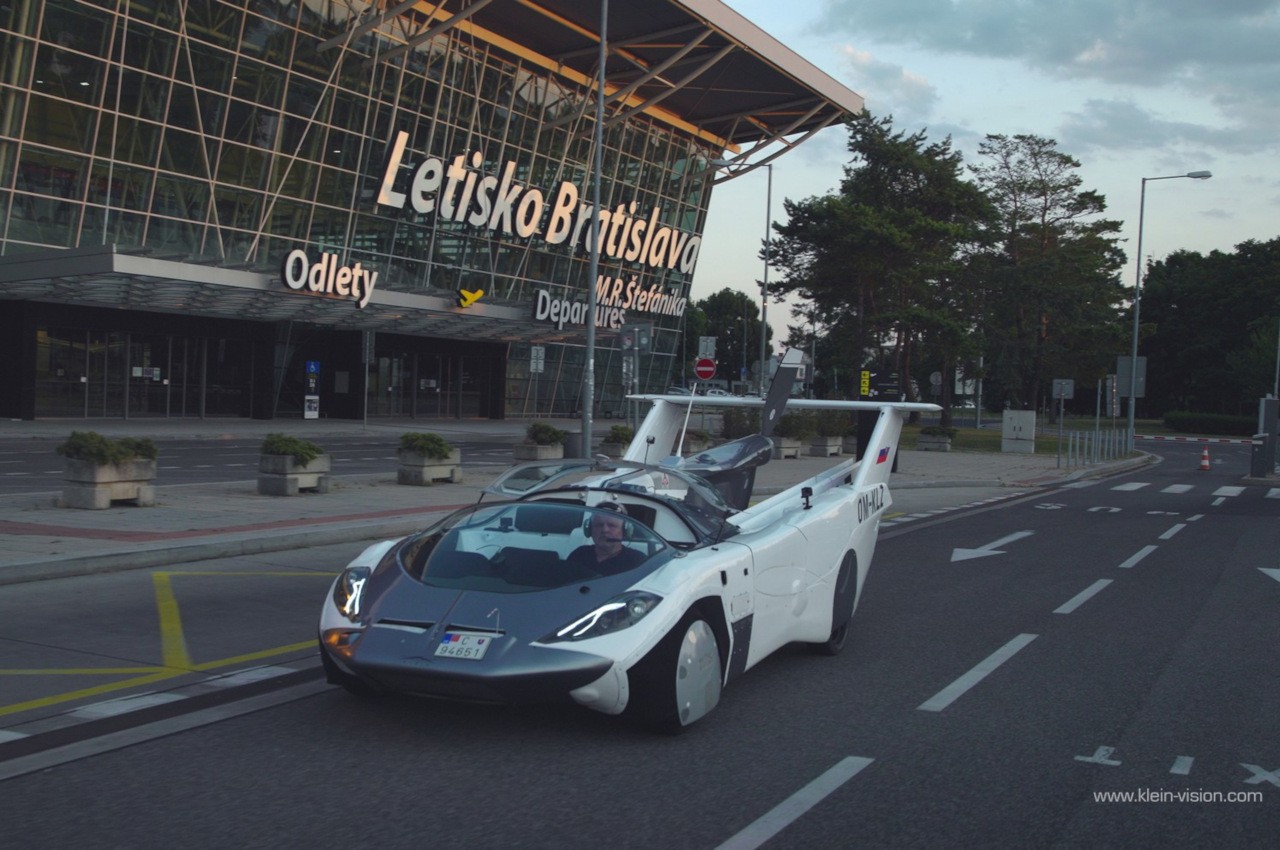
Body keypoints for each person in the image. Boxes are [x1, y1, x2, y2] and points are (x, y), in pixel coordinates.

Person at [566, 503, 647, 576]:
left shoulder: (638, 561)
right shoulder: (579, 555)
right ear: (590, 529)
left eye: (612, 525)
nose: (605, 530)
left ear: (625, 530)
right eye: (599, 525)